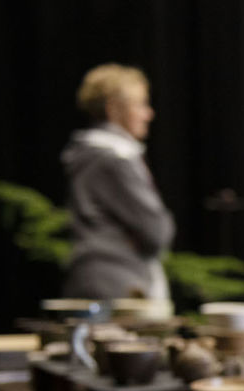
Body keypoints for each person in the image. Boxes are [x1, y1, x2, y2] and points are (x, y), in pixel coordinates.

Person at [62, 64, 175, 299]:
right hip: (117, 283)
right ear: (114, 109)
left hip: (97, 275)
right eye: (140, 105)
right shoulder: (114, 158)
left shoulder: (90, 153)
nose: (149, 114)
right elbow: (156, 231)